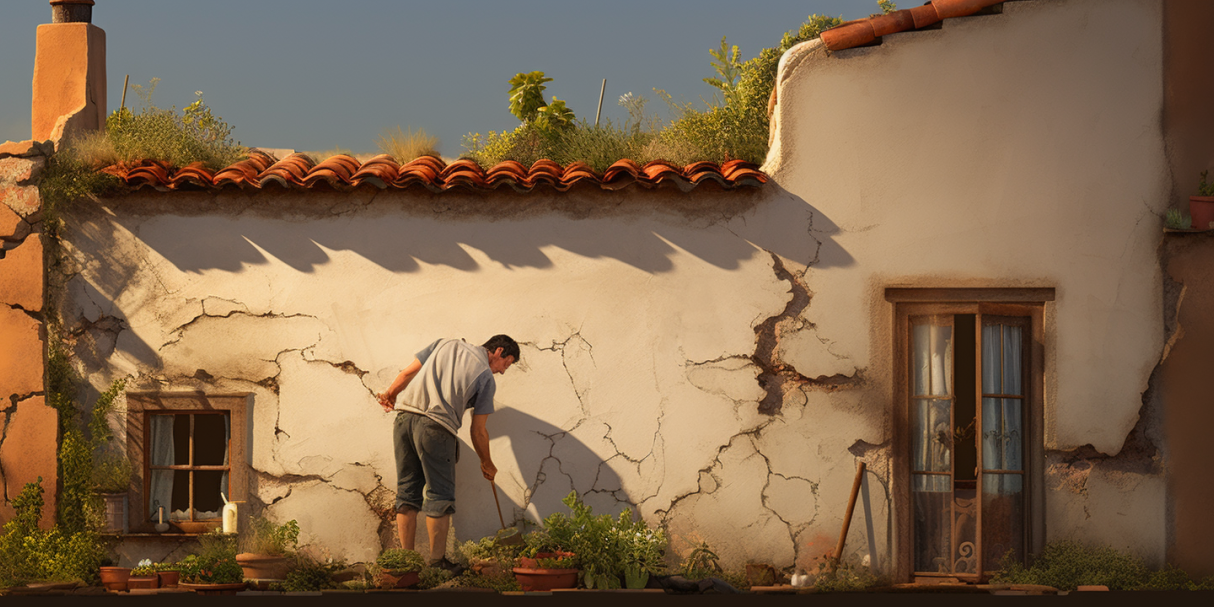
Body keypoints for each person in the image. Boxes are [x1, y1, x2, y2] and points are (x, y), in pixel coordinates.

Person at [376, 334, 519, 573]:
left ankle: (406, 564)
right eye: (508, 363)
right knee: (440, 495)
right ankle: (437, 563)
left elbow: (406, 373)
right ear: (499, 351)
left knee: (407, 492)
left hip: (403, 420)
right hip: (436, 428)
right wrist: (487, 463)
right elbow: (478, 430)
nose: (503, 372)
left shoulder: (445, 343)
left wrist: (391, 393)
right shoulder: (485, 375)